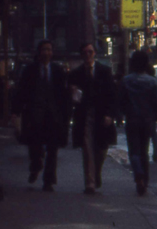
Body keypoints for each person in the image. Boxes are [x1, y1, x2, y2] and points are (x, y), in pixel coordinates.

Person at [11, 40, 69, 191]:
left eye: (49, 50)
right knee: (34, 146)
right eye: (44, 50)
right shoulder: (30, 70)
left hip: (53, 116)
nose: (47, 53)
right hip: (34, 115)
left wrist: (65, 115)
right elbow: (21, 91)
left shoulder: (57, 70)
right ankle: (35, 166)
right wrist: (15, 112)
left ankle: (48, 181)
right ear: (39, 52)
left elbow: (63, 95)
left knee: (52, 148)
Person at [68, 42, 118, 195]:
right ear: (82, 55)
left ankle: (96, 173)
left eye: (90, 52)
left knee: (102, 149)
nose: (88, 55)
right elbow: (71, 98)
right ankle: (89, 183)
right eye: (85, 53)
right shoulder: (76, 74)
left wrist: (110, 114)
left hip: (101, 115)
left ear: (95, 53)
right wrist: (72, 92)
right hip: (85, 115)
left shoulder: (105, 71)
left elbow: (112, 95)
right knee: (87, 148)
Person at [119, 51, 157, 196]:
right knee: (144, 150)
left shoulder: (126, 81)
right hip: (147, 119)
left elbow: (121, 101)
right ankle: (145, 179)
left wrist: (123, 113)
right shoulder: (152, 81)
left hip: (132, 119)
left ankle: (138, 173)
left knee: (134, 151)